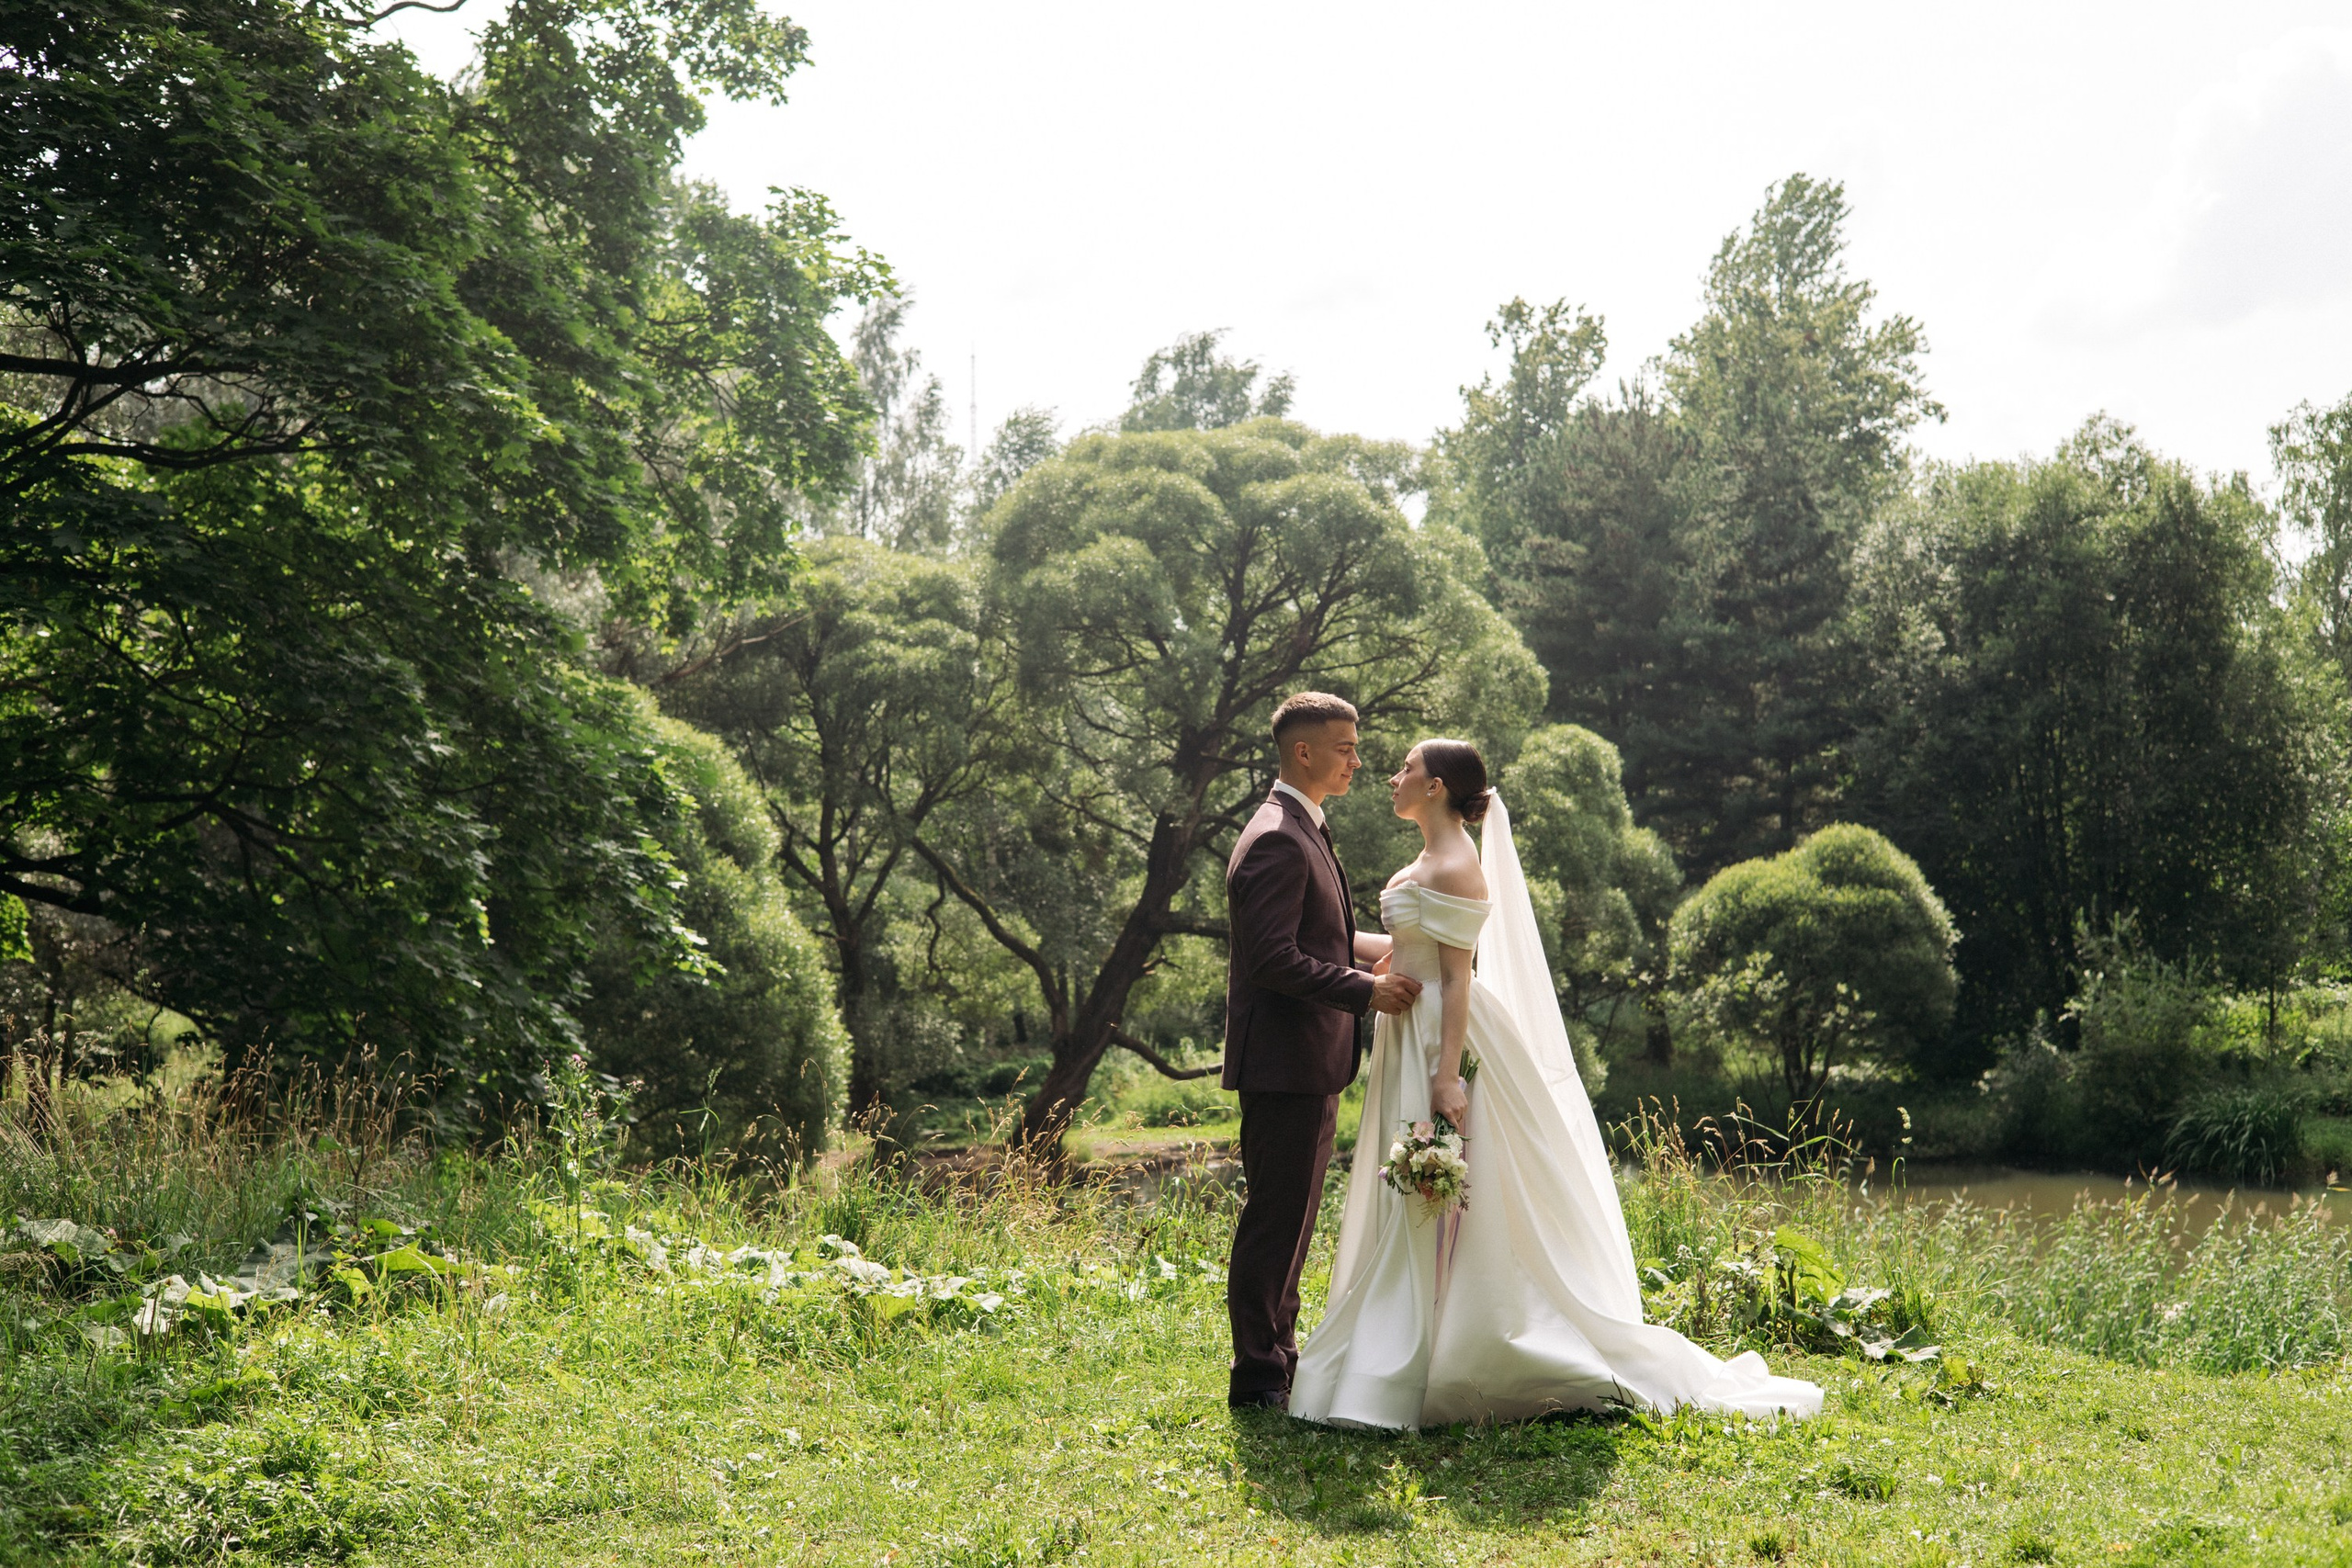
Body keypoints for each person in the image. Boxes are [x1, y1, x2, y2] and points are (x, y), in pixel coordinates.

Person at [1287, 737, 1823, 1428]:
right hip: (1405, 1027)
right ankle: (1404, 1339)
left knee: (1441, 1185)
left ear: (1439, 786)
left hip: (1441, 1038)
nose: (1393, 776)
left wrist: (1447, 1077)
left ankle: (1437, 1347)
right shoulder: (1426, 859)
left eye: (1407, 770)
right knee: (1412, 1189)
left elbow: (1455, 978)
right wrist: (1323, 946)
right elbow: (1399, 952)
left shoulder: (1456, 864)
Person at [1221, 693, 1423, 1410]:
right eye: (1344, 746)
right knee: (1275, 1218)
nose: (1357, 760)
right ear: (1302, 751)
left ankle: (1281, 1354)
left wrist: (1398, 952)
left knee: (1295, 1216)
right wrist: (1365, 992)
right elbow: (1274, 959)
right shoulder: (1276, 835)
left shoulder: (1305, 825)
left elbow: (1321, 938)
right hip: (1283, 1062)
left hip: (1308, 1060)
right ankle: (1257, 1377)